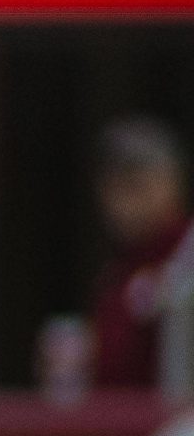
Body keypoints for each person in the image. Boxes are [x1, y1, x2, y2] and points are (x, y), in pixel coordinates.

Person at [85, 117, 193, 398]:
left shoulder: (187, 255)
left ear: (172, 182)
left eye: (136, 186)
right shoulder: (120, 269)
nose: (122, 205)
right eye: (112, 189)